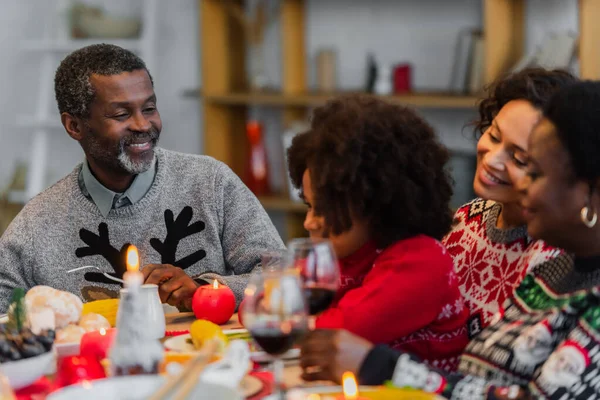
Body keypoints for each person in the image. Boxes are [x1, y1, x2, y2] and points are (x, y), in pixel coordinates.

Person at [300, 81, 600, 400]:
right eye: (495, 136)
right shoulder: (552, 276)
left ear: (591, 193)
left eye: (534, 171)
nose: (522, 184)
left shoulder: (574, 284)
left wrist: (384, 367)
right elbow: (479, 378)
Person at [0, 44, 284, 312]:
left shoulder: (211, 182)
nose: (143, 125)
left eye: (149, 108)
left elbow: (283, 276)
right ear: (74, 126)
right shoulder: (36, 226)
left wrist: (206, 289)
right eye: (122, 114)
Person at [287, 94, 469, 371]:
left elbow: (337, 333)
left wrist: (280, 317)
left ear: (375, 202)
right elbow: (276, 302)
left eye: (323, 209)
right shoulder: (346, 252)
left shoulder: (422, 261)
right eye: (308, 206)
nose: (309, 223)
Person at [442, 68, 577, 336]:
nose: (491, 159)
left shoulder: (557, 256)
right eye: (493, 136)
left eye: (519, 159)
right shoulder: (466, 219)